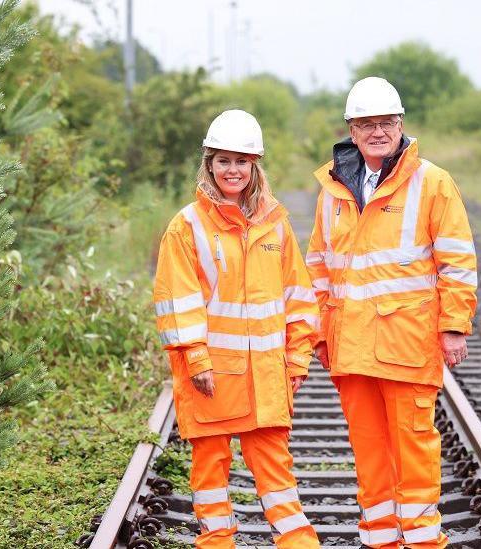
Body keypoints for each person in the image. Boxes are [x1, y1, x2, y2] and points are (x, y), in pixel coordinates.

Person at [306, 77, 478, 548]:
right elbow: (318, 266)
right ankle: (380, 538)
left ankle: (422, 541)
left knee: (414, 445)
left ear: (401, 125)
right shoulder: (333, 189)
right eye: (367, 124)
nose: (377, 131)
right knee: (369, 450)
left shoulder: (432, 183)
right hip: (352, 346)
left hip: (406, 341)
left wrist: (455, 325)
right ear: (352, 130)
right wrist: (318, 333)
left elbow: (456, 258)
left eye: (386, 122)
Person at [153, 110, 321, 549]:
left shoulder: (274, 224)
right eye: (223, 161)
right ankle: (217, 543)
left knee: (277, 471)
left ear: (254, 167)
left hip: (266, 375)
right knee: (210, 468)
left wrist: (298, 356)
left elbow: (298, 296)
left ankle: (298, 543)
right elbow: (177, 300)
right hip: (213, 373)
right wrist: (197, 358)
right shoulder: (187, 227)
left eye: (241, 162)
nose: (232, 170)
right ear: (209, 164)